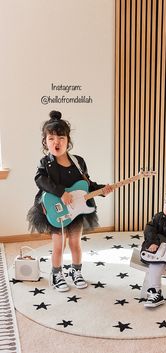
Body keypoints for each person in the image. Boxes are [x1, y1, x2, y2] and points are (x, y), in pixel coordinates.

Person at [27, 110, 112, 292]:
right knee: (59, 244)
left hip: (76, 209)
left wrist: (102, 189)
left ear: (68, 140)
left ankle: (76, 271)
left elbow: (86, 185)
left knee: (75, 242)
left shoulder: (78, 161)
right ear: (45, 142)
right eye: (51, 138)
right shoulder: (45, 162)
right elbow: (40, 180)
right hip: (55, 209)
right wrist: (61, 192)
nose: (56, 142)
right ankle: (56, 273)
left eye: (61, 138)